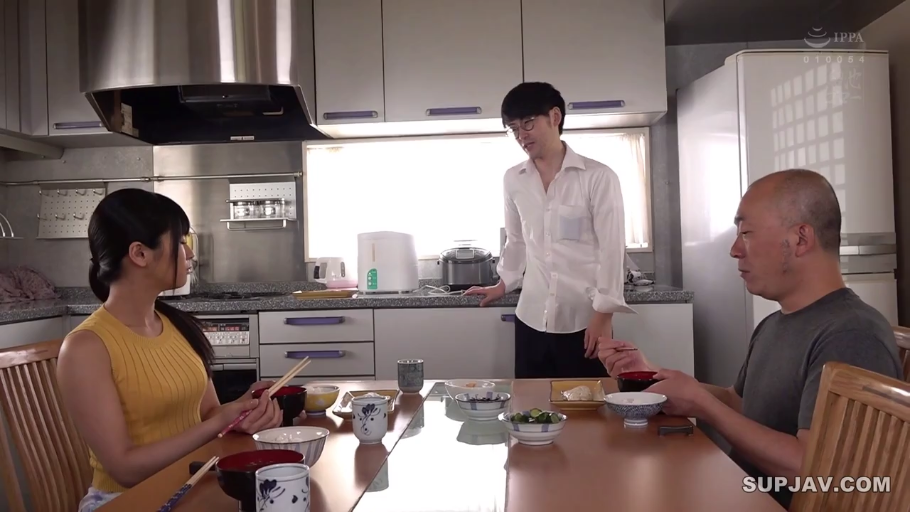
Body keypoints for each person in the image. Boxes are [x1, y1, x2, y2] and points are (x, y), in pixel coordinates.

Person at [597, 169, 903, 509]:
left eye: (746, 233)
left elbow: (812, 470)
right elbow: (739, 403)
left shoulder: (851, 336)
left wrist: (704, 407)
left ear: (801, 239)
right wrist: (652, 375)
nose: (734, 250)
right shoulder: (775, 323)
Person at [57, 189, 292, 512]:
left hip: (192, 483)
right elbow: (124, 469)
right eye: (181, 242)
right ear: (140, 253)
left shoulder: (177, 324)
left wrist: (244, 406)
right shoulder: (86, 347)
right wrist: (217, 424)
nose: (189, 253)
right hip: (125, 501)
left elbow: (209, 413)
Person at [465, 82, 634, 378]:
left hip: (584, 321)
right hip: (530, 319)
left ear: (555, 117)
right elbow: (517, 241)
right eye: (514, 128)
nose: (521, 135)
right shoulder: (513, 179)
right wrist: (503, 283)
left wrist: (603, 314)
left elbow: (612, 250)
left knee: (586, 403)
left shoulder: (598, 177)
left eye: (528, 123)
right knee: (529, 402)